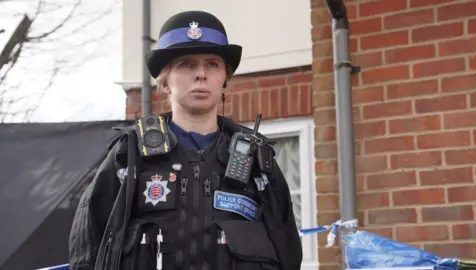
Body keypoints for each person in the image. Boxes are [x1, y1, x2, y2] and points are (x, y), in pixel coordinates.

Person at [69, 10, 302, 270]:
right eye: (187, 64)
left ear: (224, 79)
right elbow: (87, 250)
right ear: (165, 80)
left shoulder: (258, 161)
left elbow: (288, 251)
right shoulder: (130, 154)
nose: (200, 74)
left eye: (212, 64)